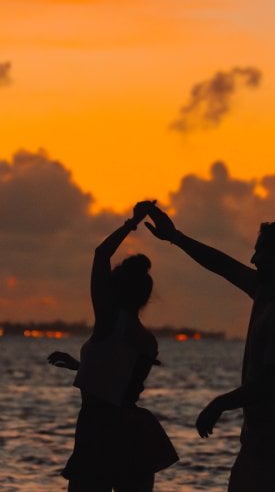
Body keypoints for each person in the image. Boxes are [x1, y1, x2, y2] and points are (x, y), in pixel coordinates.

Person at [145, 205, 275, 491]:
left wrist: (219, 404)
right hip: (262, 437)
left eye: (261, 252)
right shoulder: (267, 292)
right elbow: (223, 266)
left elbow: (271, 382)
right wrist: (175, 237)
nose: (254, 259)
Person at [47, 200, 178, 491]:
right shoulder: (147, 341)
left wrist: (132, 223)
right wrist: (81, 366)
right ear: (145, 297)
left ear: (115, 291)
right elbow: (124, 387)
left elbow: (101, 253)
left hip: (97, 429)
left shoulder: (108, 319)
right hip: (133, 432)